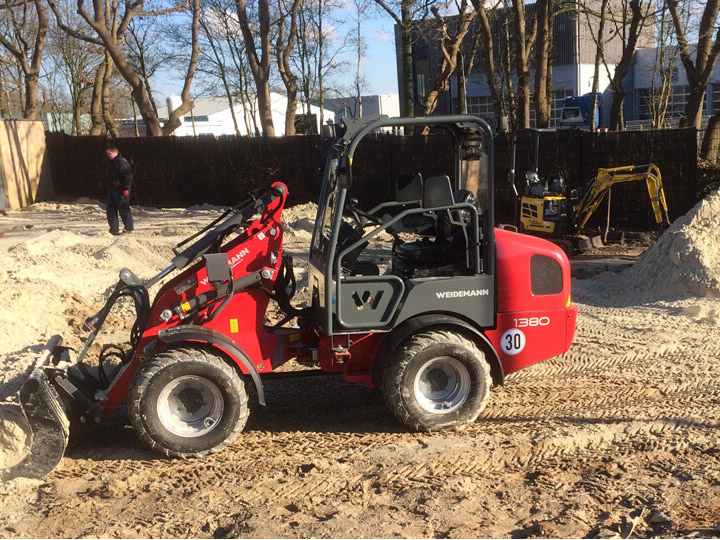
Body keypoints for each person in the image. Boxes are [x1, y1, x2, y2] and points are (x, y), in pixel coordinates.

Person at [105, 145, 134, 235]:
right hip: (112, 189)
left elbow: (128, 177)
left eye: (110, 154)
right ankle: (114, 229)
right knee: (110, 210)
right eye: (107, 154)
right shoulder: (110, 162)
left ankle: (129, 228)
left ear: (115, 152)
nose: (108, 156)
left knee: (124, 209)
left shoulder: (122, 162)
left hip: (120, 190)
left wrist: (126, 189)